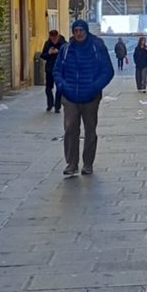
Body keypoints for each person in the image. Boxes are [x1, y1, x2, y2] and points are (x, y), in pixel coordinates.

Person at [54, 18, 114, 177]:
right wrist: (62, 85)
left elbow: (107, 71)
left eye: (81, 30)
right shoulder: (66, 49)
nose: (79, 33)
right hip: (70, 96)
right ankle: (71, 164)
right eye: (76, 31)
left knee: (90, 130)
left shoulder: (97, 47)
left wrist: (95, 87)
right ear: (73, 32)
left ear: (86, 31)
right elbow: (57, 70)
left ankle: (88, 163)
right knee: (70, 129)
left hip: (91, 97)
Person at [41, 29, 66, 112]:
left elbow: (68, 54)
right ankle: (50, 104)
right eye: (52, 38)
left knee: (59, 88)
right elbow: (43, 55)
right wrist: (49, 53)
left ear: (58, 36)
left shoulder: (63, 44)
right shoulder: (47, 44)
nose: (54, 40)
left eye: (55, 38)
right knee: (48, 88)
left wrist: (59, 52)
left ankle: (57, 106)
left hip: (60, 69)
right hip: (49, 69)